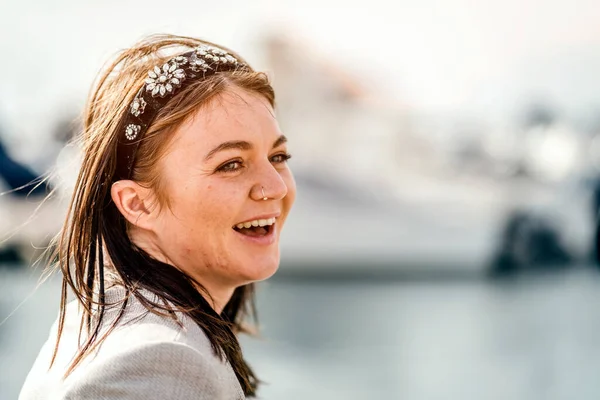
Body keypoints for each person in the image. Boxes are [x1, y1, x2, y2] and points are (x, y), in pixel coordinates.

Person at [19, 33, 296, 399]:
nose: (274, 187)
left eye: (278, 157)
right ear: (137, 204)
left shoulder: (94, 321)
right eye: (231, 164)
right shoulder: (157, 363)